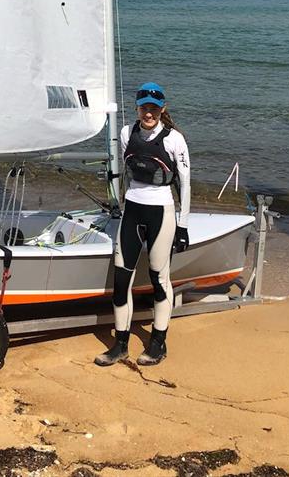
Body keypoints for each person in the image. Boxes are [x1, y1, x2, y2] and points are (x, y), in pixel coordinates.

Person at [94, 81, 190, 367]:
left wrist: (182, 226)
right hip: (133, 211)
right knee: (122, 280)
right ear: (137, 108)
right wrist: (118, 204)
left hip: (161, 212)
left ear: (162, 109)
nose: (149, 112)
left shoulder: (175, 139)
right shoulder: (127, 133)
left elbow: (185, 184)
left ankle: (158, 343)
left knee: (160, 279)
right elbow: (126, 173)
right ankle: (120, 344)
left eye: (154, 108)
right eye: (144, 107)